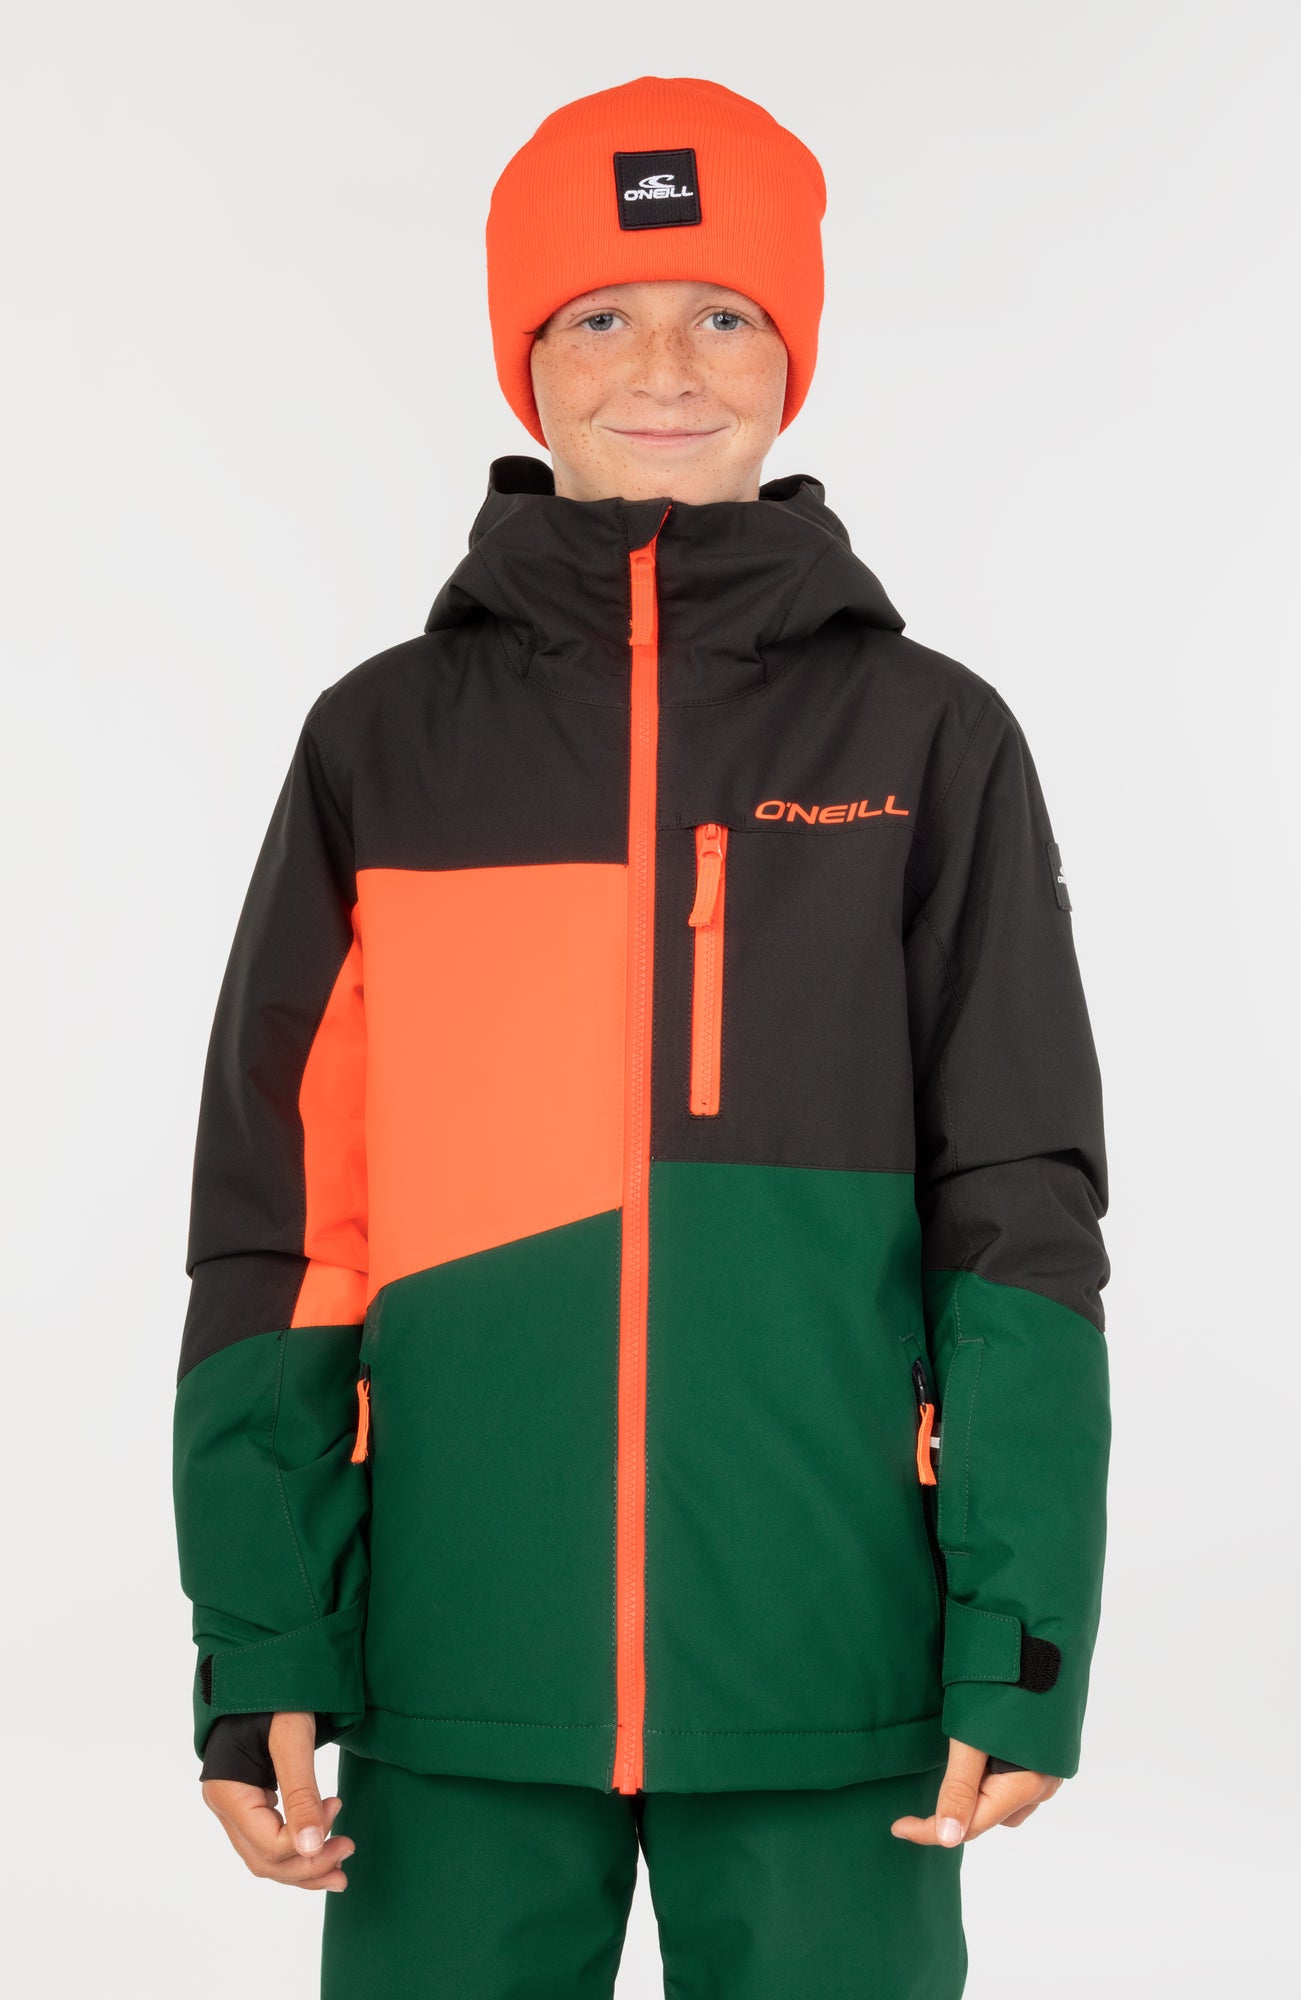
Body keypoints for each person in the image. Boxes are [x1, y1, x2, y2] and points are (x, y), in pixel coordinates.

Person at [174, 73, 1111, 1999]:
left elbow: (1018, 1213)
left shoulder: (927, 736)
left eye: (724, 312)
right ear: (525, 360)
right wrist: (266, 1640)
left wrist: (1018, 1642)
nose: (664, 366)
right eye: (600, 313)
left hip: (829, 1667)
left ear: (793, 357)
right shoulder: (381, 743)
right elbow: (285, 1229)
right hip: (453, 1662)